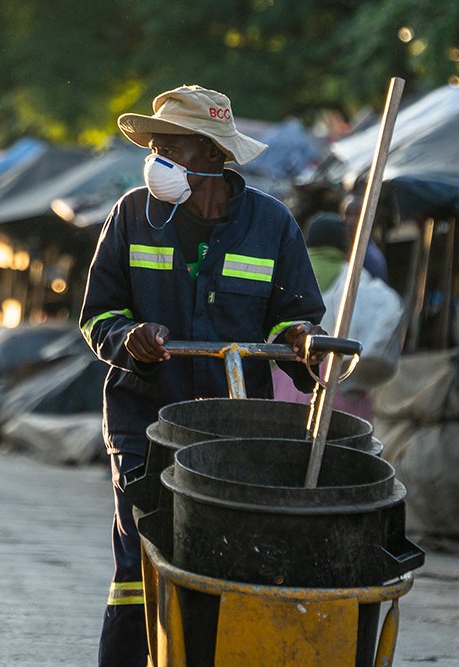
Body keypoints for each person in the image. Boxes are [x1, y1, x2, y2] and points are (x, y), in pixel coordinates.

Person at [79, 85, 327, 667]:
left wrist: (300, 341)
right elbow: (99, 315)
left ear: (215, 156)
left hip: (237, 431)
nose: (158, 160)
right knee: (139, 564)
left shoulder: (272, 224)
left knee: (229, 560)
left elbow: (296, 316)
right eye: (157, 146)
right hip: (146, 422)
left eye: (176, 147)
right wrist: (129, 339)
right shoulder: (132, 214)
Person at [273, 213, 403, 422]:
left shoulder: (289, 275)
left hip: (282, 387)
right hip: (337, 391)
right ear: (346, 246)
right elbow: (387, 320)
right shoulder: (358, 283)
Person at [340, 191, 389, 284]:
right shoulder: (341, 250)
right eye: (347, 214)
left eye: (357, 215)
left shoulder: (371, 258)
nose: (350, 220)